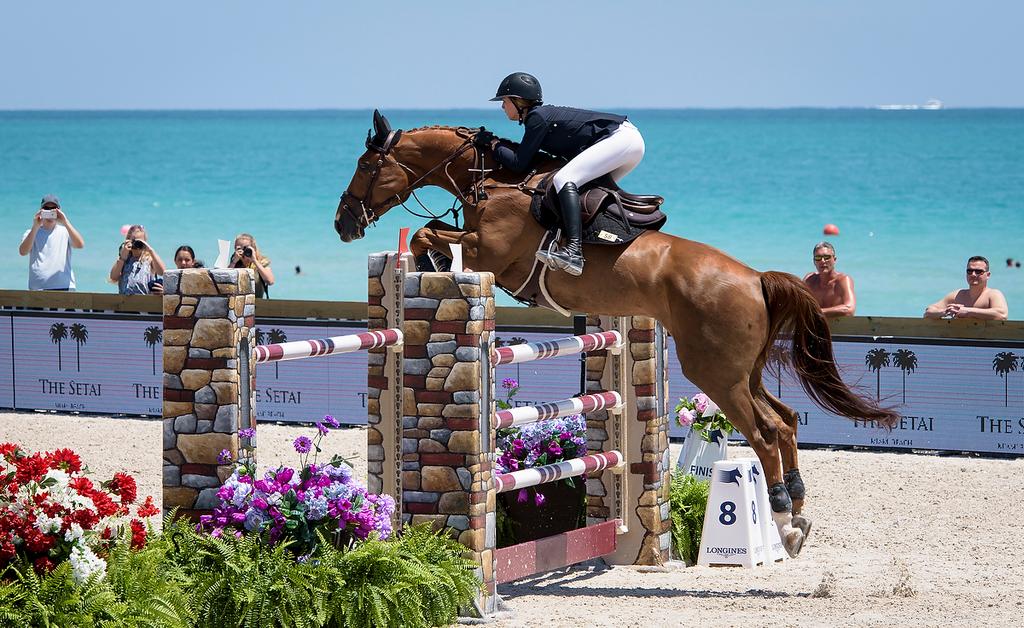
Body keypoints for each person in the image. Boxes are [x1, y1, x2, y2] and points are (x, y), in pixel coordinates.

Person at [475, 72, 645, 276]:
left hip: (621, 140)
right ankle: (595, 244)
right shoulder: (539, 117)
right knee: (584, 194)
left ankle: (573, 252)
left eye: (504, 101)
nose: (502, 106)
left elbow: (519, 163)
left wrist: (493, 144)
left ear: (518, 101)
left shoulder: (536, 117)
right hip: (628, 143)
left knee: (564, 179)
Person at [18, 195, 85, 291]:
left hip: (65, 287)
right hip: (38, 288)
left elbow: (80, 244)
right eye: (46, 208)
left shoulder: (66, 231)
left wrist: (65, 221)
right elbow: (23, 252)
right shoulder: (31, 232)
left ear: (59, 210)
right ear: (41, 210)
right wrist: (36, 226)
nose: (50, 211)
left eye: (53, 209)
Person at [924, 256, 1008, 320]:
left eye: (978, 271)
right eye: (969, 271)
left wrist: (967, 311)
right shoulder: (957, 295)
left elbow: (1002, 315)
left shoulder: (993, 294)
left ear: (988, 275)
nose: (973, 274)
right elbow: (928, 312)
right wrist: (946, 311)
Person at [802, 242, 856, 318]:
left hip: (840, 328)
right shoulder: (810, 279)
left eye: (827, 257)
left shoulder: (843, 280)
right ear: (814, 261)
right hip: (814, 328)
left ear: (834, 260)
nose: (822, 261)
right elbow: (797, 305)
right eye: (818, 258)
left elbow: (849, 310)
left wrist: (817, 312)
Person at [109, 224, 167, 295]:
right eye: (133, 241)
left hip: (145, 301)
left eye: (140, 242)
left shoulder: (149, 259)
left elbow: (162, 272)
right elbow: (113, 277)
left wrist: (150, 250)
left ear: (145, 242)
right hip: (124, 302)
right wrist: (122, 257)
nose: (137, 245)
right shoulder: (124, 259)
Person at [230, 233, 274, 298]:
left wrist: (255, 261)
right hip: (238, 304)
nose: (243, 251)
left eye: (245, 248)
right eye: (239, 248)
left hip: (256, 303)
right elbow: (226, 280)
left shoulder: (262, 262)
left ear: (253, 248)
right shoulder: (235, 263)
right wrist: (233, 262)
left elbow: (270, 281)